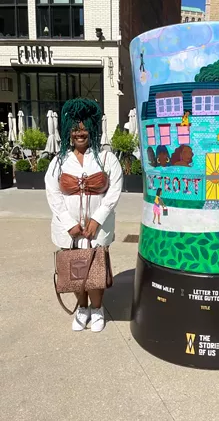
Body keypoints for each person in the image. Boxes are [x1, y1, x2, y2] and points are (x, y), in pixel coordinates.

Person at [45, 98, 123, 333]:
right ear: (69, 131)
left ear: (93, 128)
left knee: (95, 269)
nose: (80, 132)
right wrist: (69, 224)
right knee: (75, 270)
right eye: (75, 128)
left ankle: (97, 309)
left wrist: (96, 219)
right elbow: (53, 193)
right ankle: (82, 308)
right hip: (68, 230)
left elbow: (114, 190)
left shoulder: (108, 159)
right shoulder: (59, 162)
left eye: (84, 127)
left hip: (97, 229)